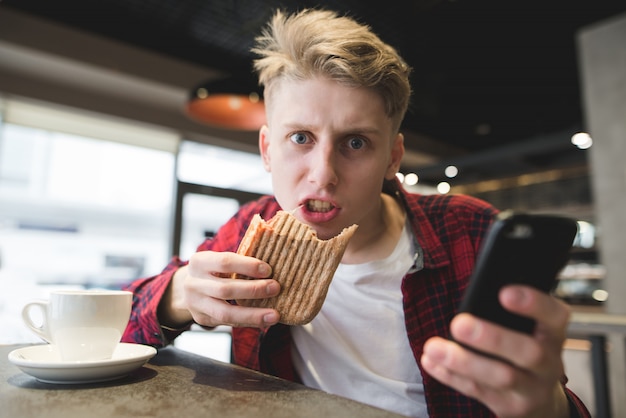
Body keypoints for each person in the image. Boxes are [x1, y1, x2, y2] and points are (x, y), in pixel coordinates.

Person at [123, 8, 590, 418]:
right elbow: (116, 319)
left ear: (392, 158)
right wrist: (178, 297)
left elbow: (547, 394)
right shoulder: (251, 230)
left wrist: (545, 406)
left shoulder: (470, 230)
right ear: (268, 149)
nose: (323, 175)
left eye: (355, 142)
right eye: (300, 138)